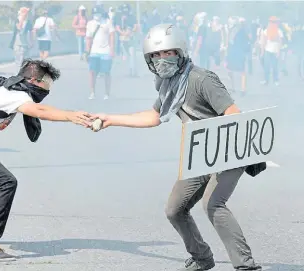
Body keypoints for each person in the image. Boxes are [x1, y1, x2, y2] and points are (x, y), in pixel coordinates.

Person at [88, 24, 262, 271]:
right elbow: (153, 117)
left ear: (180, 52)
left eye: (167, 53)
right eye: (155, 55)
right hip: (200, 154)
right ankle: (202, 258)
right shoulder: (169, 84)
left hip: (226, 150)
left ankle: (245, 266)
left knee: (213, 204)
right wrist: (111, 119)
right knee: (174, 210)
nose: (161, 59)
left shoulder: (201, 79)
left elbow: (233, 113)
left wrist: (246, 149)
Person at [0, 59, 91, 261]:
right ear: (32, 79)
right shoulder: (14, 94)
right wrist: (71, 115)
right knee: (5, 182)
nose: (47, 89)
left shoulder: (7, 89)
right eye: (45, 83)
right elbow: (39, 111)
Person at [85, 5, 115, 100]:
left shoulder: (107, 22)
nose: (96, 15)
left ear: (102, 14)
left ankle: (107, 93)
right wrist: (87, 51)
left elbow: (112, 36)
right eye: (94, 13)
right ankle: (92, 92)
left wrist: (112, 50)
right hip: (94, 52)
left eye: (98, 13)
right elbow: (88, 38)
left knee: (106, 72)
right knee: (92, 72)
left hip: (105, 51)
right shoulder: (90, 24)